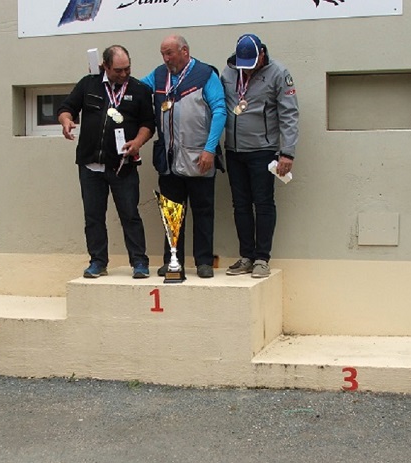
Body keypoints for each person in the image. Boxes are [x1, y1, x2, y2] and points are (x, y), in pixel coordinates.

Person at [58, 45, 155, 279]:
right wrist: (66, 121)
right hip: (90, 165)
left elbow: (148, 124)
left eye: (127, 69)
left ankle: (139, 262)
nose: (124, 74)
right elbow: (66, 108)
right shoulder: (88, 84)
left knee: (130, 214)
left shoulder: (139, 89)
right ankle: (98, 262)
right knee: (93, 217)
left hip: (122, 165)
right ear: (105, 66)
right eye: (118, 70)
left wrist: (137, 142)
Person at [140, 35, 227, 279]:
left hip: (200, 158)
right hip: (169, 161)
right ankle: (172, 262)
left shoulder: (205, 75)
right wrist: (105, 78)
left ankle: (204, 262)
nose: (166, 59)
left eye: (170, 53)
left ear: (185, 51)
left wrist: (210, 149)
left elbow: (220, 111)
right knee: (171, 214)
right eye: (163, 54)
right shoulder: (159, 75)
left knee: (203, 213)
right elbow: (136, 90)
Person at [220, 34, 299, 278]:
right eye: (243, 65)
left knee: (263, 203)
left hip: (263, 151)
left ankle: (262, 259)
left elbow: (289, 114)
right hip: (234, 150)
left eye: (252, 64)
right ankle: (246, 256)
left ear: (262, 54)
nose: (247, 70)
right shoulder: (228, 72)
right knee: (240, 205)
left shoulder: (278, 73)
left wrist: (287, 152)